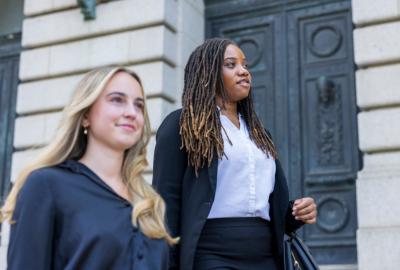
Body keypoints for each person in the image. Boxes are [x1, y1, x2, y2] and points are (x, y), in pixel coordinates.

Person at [153, 38, 317, 270]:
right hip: (211, 254)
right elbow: (165, 204)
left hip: (266, 255)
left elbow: (262, 203)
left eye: (245, 65)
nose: (244, 72)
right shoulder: (181, 125)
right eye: (231, 65)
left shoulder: (259, 133)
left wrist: (294, 214)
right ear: (207, 72)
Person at [1, 66, 177, 270]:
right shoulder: (45, 185)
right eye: (117, 100)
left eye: (139, 106)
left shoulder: (149, 202)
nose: (131, 113)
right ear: (86, 115)